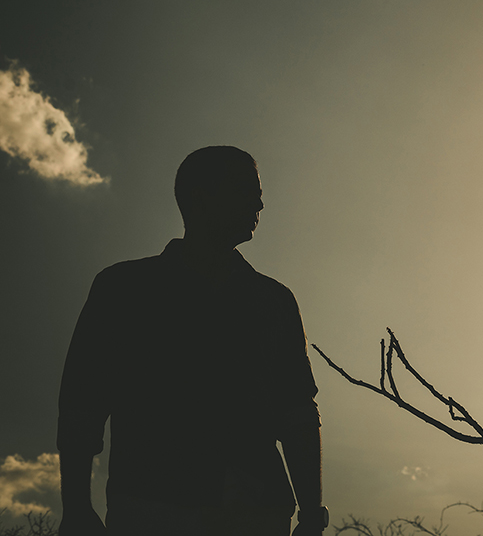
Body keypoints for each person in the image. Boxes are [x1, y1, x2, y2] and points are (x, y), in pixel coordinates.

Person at [58, 146, 328, 536]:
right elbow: (83, 401)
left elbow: (297, 412)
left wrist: (312, 515)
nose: (259, 204)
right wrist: (76, 509)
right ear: (200, 196)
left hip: (256, 512)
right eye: (245, 190)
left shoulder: (275, 302)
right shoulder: (123, 289)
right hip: (152, 508)